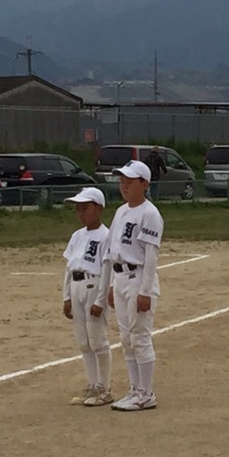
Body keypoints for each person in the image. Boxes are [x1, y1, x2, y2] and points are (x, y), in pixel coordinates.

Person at [106, 159, 163, 412]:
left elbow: (151, 255)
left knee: (139, 336)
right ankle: (134, 388)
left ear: (144, 184)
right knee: (126, 337)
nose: (124, 186)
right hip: (120, 277)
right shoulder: (120, 212)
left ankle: (146, 393)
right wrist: (110, 284)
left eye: (129, 181)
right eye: (121, 182)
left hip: (138, 277)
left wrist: (145, 291)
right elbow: (113, 250)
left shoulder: (150, 214)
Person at [62, 186, 114, 408]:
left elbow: (107, 270)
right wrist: (66, 297)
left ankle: (105, 388)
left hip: (94, 285)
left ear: (99, 208)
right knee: (83, 342)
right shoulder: (77, 236)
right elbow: (68, 267)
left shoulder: (106, 236)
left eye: (85, 208)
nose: (81, 212)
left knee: (97, 340)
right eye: (78, 209)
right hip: (76, 285)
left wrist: (100, 301)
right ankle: (92, 385)